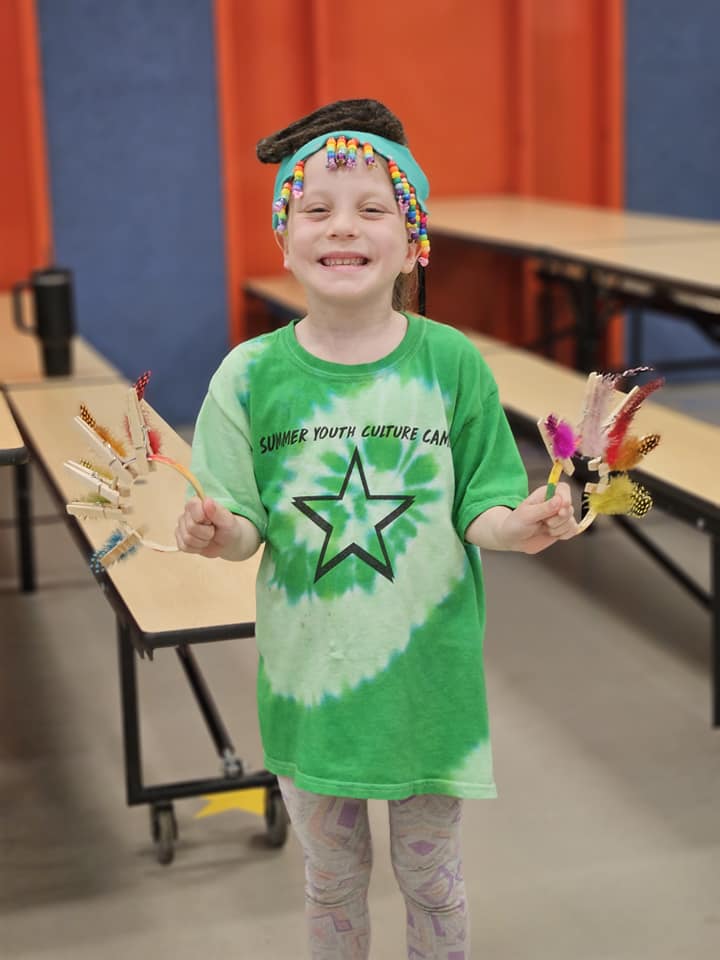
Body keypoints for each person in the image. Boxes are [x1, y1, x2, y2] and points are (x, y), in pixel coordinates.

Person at [175, 99, 578, 960]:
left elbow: (485, 509)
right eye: (315, 210)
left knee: (432, 883)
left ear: (412, 240)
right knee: (329, 883)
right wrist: (218, 531)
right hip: (308, 689)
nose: (341, 229)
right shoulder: (247, 377)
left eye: (372, 210)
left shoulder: (451, 363)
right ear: (286, 239)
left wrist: (528, 524)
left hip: (427, 691)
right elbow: (244, 524)